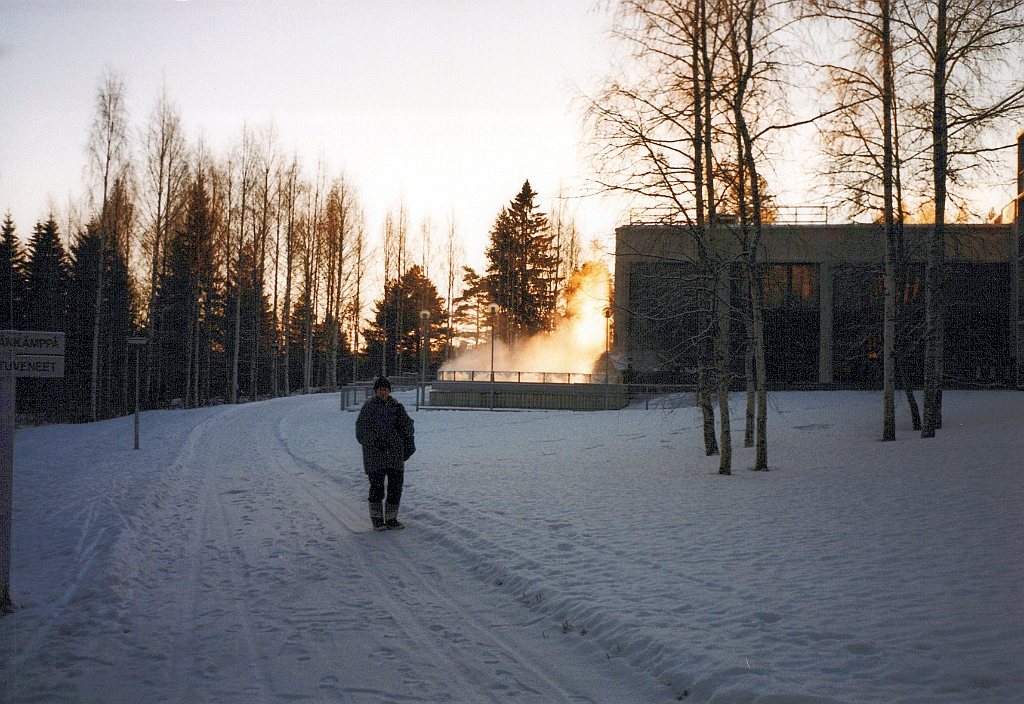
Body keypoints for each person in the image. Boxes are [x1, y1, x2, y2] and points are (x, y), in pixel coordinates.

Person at [355, 376, 415, 530]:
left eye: (386, 389)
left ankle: (391, 519)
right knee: (377, 487)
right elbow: (361, 431)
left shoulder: (397, 407)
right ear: (376, 391)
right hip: (375, 454)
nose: (383, 392)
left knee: (396, 487)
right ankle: (377, 520)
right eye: (381, 389)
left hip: (394, 453)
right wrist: (374, 441)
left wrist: (409, 439)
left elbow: (408, 426)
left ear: (389, 391)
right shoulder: (369, 407)